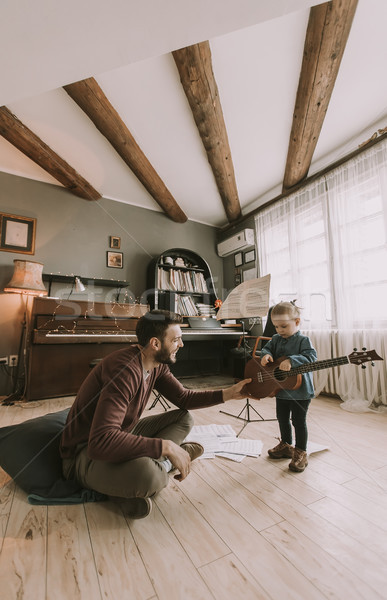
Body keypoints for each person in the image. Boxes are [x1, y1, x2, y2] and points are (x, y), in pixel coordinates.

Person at [60, 309, 251, 518]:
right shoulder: (124, 371)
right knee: (151, 477)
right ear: (155, 344)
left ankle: (154, 467)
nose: (182, 345)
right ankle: (163, 465)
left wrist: (228, 394)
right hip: (84, 454)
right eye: (176, 339)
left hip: (124, 433)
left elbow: (183, 398)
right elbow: (100, 442)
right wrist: (165, 446)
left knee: (184, 417)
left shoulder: (154, 364)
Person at [260, 301, 317, 472]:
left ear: (297, 322)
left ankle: (301, 452)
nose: (279, 330)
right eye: (276, 326)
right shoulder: (276, 339)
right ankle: (286, 445)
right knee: (282, 418)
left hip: (300, 391)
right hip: (281, 389)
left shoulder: (303, 340)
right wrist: (266, 355)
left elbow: (311, 356)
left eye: (283, 326)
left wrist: (292, 360)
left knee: (298, 421)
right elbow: (266, 349)